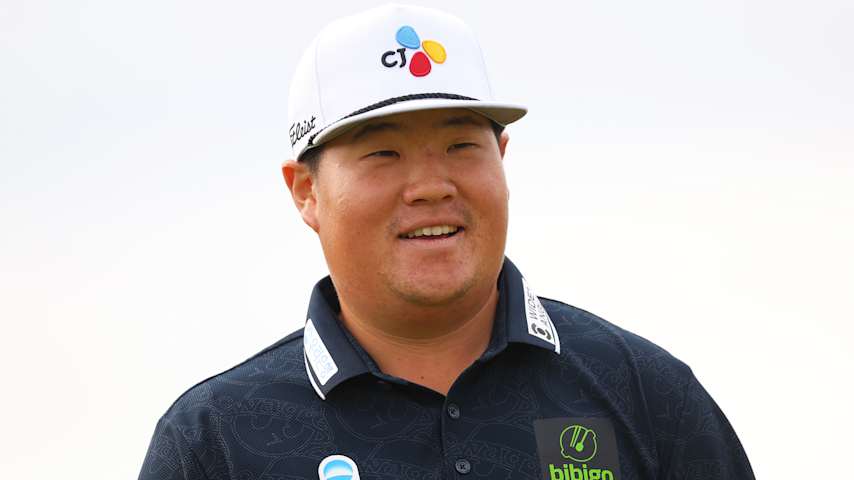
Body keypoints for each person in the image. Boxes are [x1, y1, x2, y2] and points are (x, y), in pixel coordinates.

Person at [138, 4, 755, 479]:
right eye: (383, 153)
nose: (432, 186)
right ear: (305, 191)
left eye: (462, 145)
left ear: (503, 159)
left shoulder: (645, 393)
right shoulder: (215, 438)